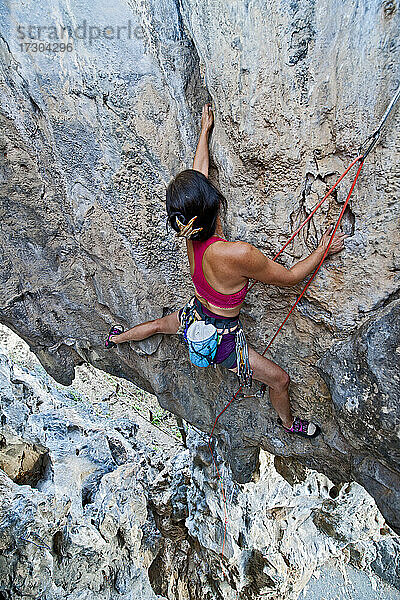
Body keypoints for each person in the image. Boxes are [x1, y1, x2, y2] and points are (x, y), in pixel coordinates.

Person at [105, 103, 349, 438]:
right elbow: (291, 279)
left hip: (194, 316)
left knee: (163, 325)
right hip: (222, 341)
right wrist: (323, 248)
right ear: (214, 204)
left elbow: (199, 172)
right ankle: (289, 424)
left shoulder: (188, 233)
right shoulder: (238, 254)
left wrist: (204, 132)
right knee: (280, 380)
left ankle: (116, 337)